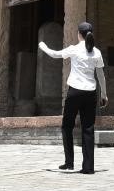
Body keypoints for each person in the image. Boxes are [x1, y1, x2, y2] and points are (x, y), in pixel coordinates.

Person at [38, 21, 107, 175]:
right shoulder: (96, 52)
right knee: (88, 129)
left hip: (74, 92)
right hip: (90, 93)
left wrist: (43, 46)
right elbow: (101, 75)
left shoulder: (74, 49)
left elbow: (55, 54)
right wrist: (104, 94)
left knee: (67, 126)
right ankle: (88, 167)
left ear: (79, 34)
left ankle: (69, 163)